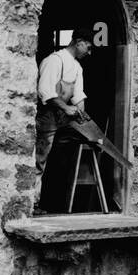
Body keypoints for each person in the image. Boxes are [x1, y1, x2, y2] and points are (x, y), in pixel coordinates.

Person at [34, 32, 92, 180]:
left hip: (61, 117)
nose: (89, 52)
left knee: (64, 154)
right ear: (79, 42)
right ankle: (34, 198)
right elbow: (45, 91)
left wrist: (82, 116)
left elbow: (78, 95)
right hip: (47, 116)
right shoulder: (54, 60)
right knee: (40, 161)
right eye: (88, 47)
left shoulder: (78, 67)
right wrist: (66, 108)